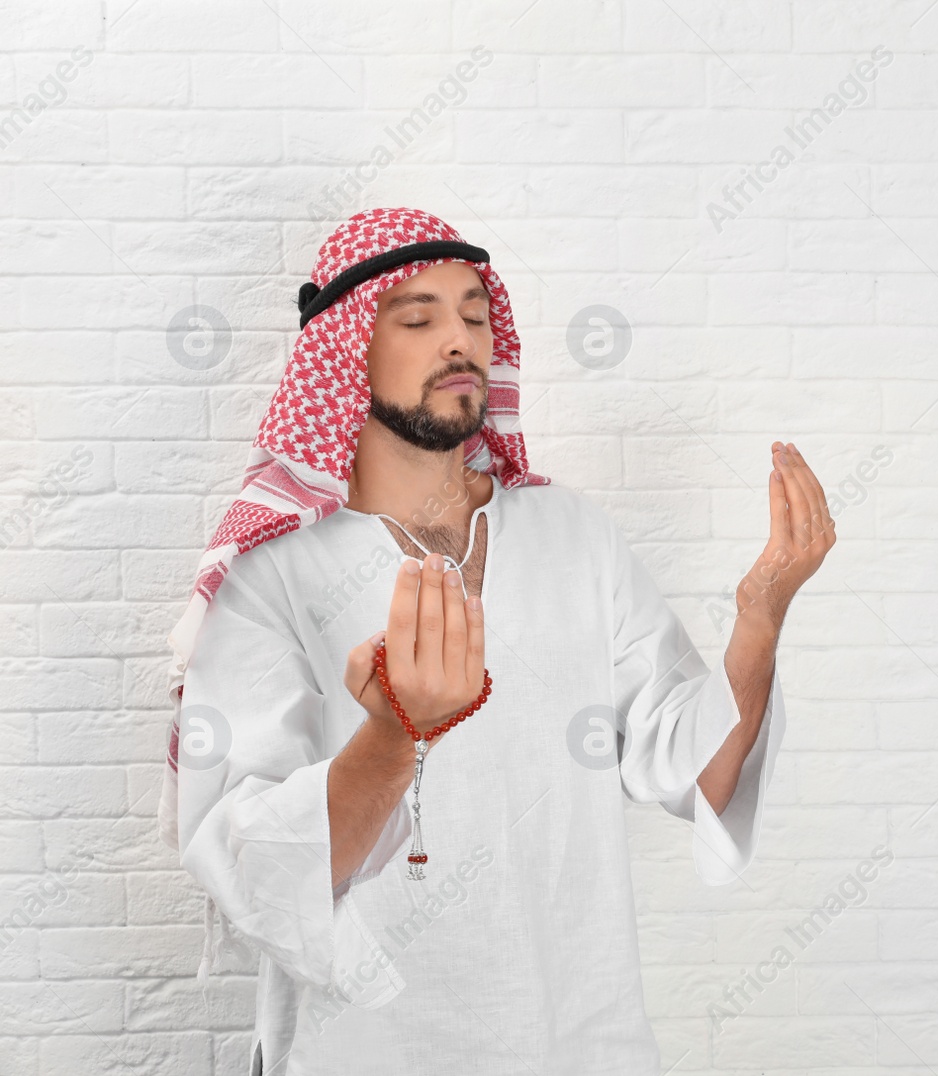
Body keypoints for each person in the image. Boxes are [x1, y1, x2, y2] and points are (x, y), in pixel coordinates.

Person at [159, 207, 834, 1074]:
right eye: (418, 317)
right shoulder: (270, 578)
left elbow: (702, 770)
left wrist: (761, 617)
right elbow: (251, 868)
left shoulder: (573, 537)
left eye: (475, 315)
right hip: (367, 1051)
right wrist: (395, 737)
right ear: (345, 348)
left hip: (578, 1039)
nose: (459, 339)